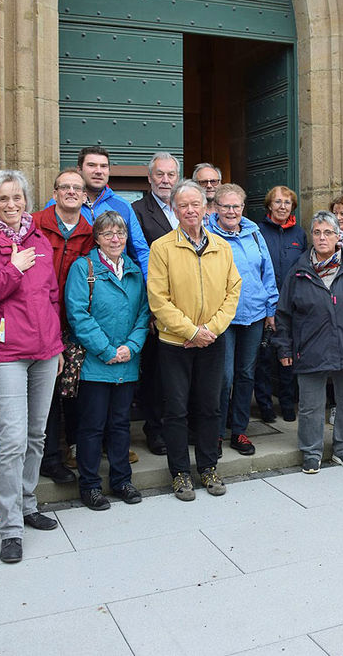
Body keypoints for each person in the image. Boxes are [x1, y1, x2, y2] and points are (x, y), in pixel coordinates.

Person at [0, 170, 63, 563]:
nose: (11, 204)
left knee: (37, 434)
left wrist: (57, 348)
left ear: (26, 200)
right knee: (12, 439)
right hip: (5, 353)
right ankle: (10, 528)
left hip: (44, 352)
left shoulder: (39, 240)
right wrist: (13, 269)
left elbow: (51, 298)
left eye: (18, 198)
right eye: (4, 198)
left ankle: (28, 503)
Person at [148, 179, 241, 501]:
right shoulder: (162, 248)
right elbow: (158, 299)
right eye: (183, 205)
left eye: (195, 204)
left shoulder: (221, 247)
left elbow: (233, 292)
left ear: (206, 208)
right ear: (174, 210)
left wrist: (209, 331)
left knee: (210, 406)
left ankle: (208, 466)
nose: (190, 210)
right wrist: (190, 331)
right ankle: (180, 473)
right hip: (175, 344)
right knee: (175, 409)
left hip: (212, 341)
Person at [273, 210, 343, 473]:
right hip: (311, 347)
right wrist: (284, 346)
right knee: (311, 405)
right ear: (311, 236)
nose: (323, 238)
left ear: (338, 237)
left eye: (328, 232)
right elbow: (284, 312)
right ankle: (311, 452)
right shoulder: (299, 271)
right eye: (317, 232)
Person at [65, 211, 149, 510]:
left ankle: (121, 480)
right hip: (95, 365)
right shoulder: (83, 268)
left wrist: (131, 346)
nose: (116, 239)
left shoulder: (136, 271)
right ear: (97, 238)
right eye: (108, 234)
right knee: (92, 426)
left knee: (120, 424)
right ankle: (89, 485)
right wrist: (106, 350)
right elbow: (78, 315)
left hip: (127, 362)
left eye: (120, 233)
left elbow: (143, 313)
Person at [206, 183, 278, 456]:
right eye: (226, 206)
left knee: (246, 375)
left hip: (255, 316)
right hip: (222, 318)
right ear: (216, 208)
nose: (231, 211)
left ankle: (239, 431)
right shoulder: (208, 235)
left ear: (243, 208)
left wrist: (271, 309)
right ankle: (215, 433)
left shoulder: (255, 234)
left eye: (236, 206)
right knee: (223, 377)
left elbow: (267, 273)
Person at [33, 167, 94, 483]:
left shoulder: (91, 231)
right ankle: (49, 459)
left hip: (75, 323)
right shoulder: (35, 224)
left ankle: (74, 451)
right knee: (47, 394)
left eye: (77, 188)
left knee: (73, 390)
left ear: (85, 196)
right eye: (64, 187)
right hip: (39, 321)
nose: (71, 192)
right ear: (55, 193)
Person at [131, 152, 182, 456]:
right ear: (149, 179)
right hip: (156, 304)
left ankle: (180, 425)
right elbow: (137, 260)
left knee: (182, 371)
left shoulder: (187, 208)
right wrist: (151, 307)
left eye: (171, 174)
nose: (165, 180)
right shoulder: (136, 210)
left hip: (189, 305)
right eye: (159, 175)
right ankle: (156, 429)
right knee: (156, 373)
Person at [47, 146, 149, 278]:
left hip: (115, 286)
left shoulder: (122, 206)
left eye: (104, 166)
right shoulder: (58, 204)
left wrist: (148, 287)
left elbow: (140, 251)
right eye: (91, 165)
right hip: (71, 284)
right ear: (79, 170)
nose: (98, 171)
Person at [255, 185, 307, 423]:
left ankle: (288, 403)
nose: (282, 206)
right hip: (265, 303)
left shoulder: (300, 234)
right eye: (278, 202)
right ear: (269, 205)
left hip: (293, 305)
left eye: (287, 203)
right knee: (264, 359)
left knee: (289, 358)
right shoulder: (257, 231)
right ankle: (265, 405)